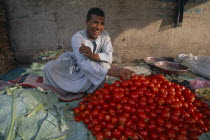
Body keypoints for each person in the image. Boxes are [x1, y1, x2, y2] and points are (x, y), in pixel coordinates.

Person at [43, 7, 135, 94]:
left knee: (104, 66)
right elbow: (83, 62)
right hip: (77, 65)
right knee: (49, 67)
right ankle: (73, 86)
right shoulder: (78, 38)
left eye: (102, 23)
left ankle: (87, 88)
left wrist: (93, 56)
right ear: (87, 22)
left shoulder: (105, 35)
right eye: (95, 22)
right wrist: (113, 72)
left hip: (96, 66)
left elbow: (109, 57)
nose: (98, 27)